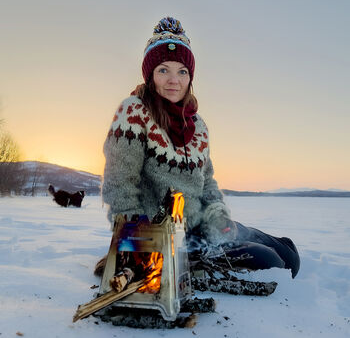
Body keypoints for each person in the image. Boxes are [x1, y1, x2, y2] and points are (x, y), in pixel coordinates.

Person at [102, 17, 300, 278]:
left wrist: (219, 217)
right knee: (272, 261)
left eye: (182, 71)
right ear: (150, 74)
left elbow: (207, 184)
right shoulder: (133, 113)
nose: (174, 80)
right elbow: (120, 188)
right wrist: (139, 247)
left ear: (190, 76)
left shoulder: (197, 125)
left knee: (288, 253)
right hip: (162, 239)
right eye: (163, 70)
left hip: (202, 226)